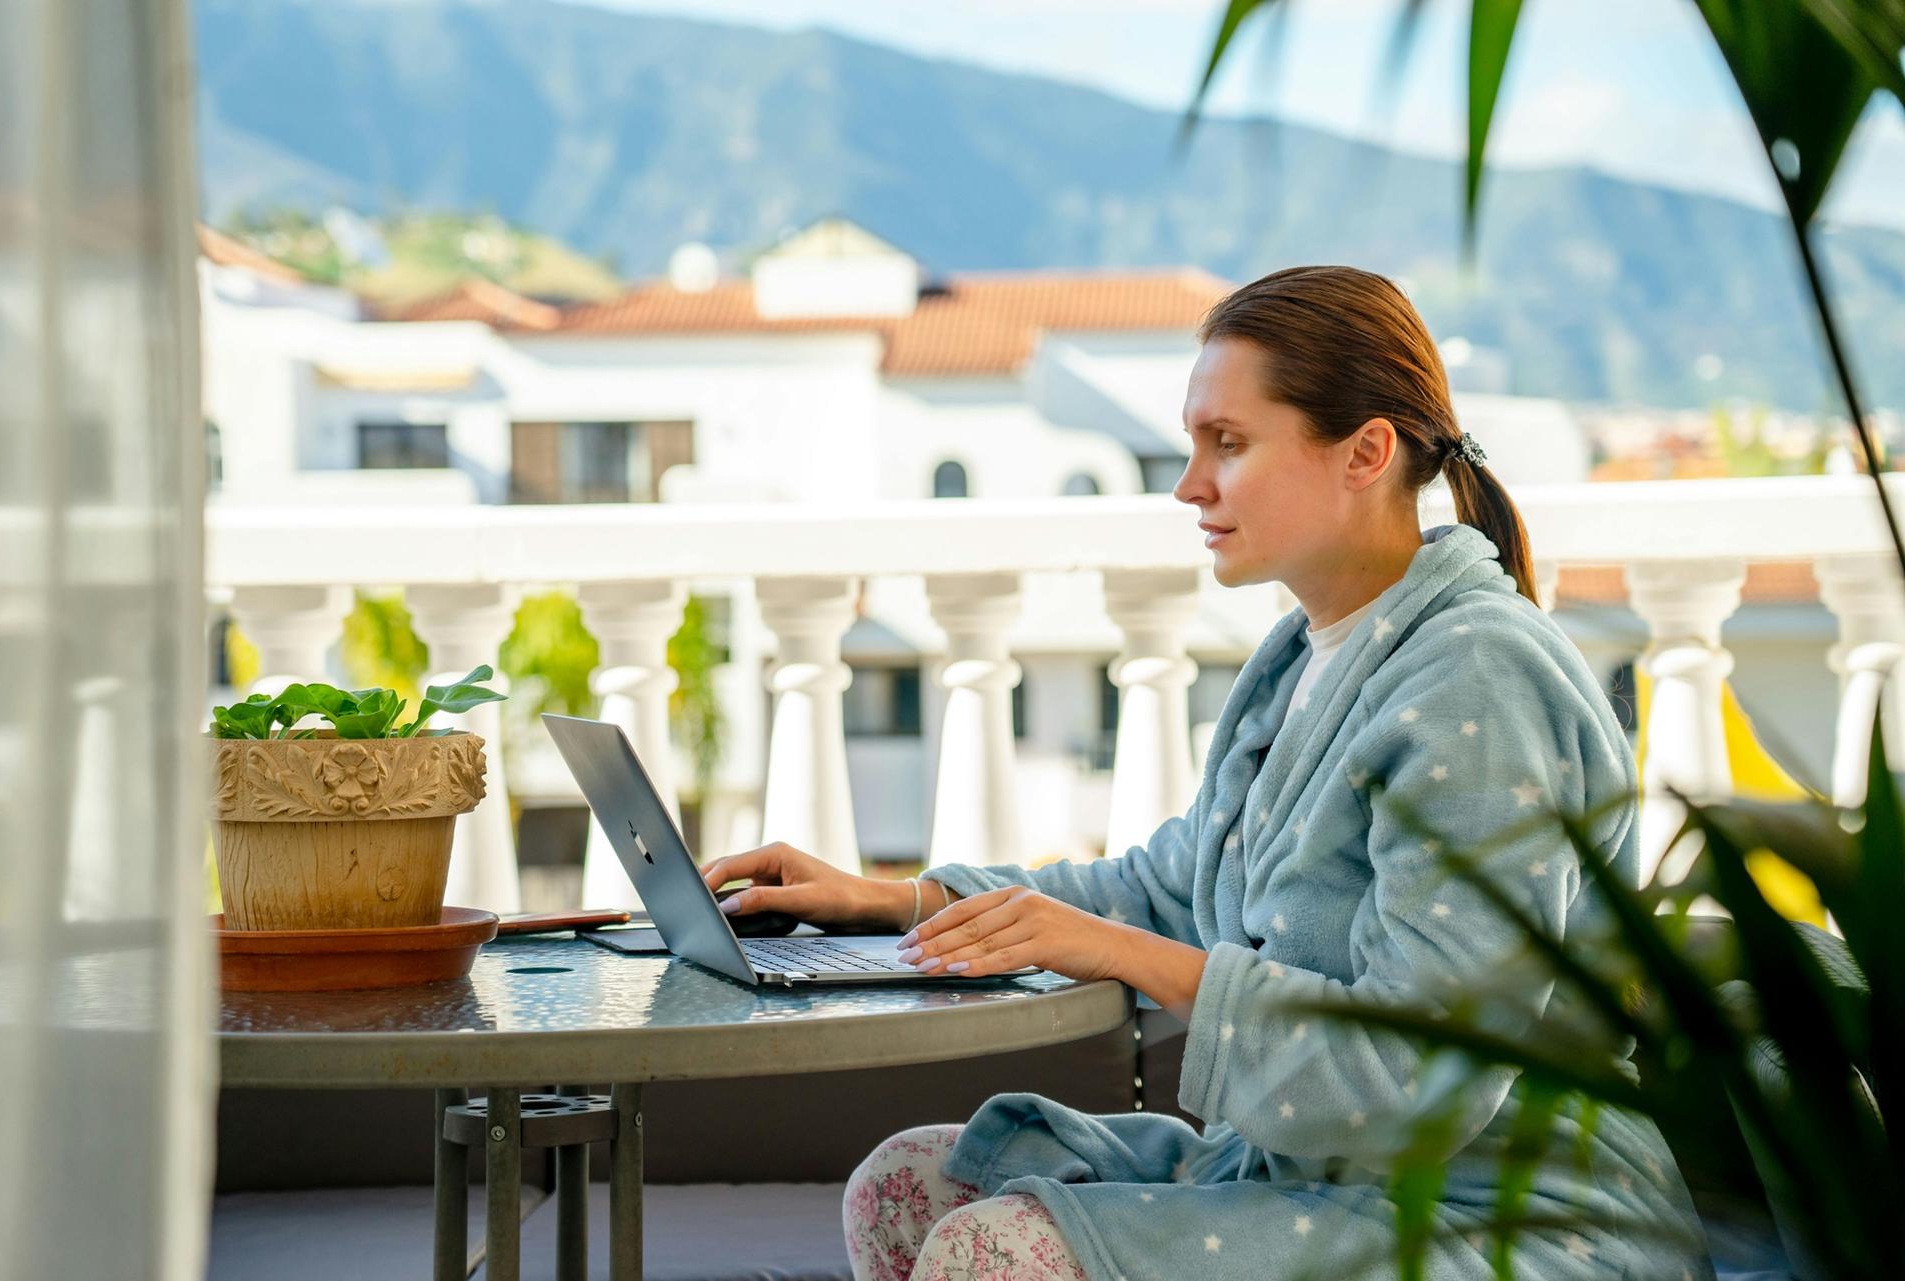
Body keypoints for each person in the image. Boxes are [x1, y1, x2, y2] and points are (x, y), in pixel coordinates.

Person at [702, 266, 1712, 1281]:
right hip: (1314, 1181)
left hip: (1494, 1215)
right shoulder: (1300, 659)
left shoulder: (1478, 682)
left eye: (1226, 445)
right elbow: (1169, 887)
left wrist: (1125, 955)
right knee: (904, 1183)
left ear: (1367, 451)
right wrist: (888, 901)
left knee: (988, 1252)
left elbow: (1422, 1077)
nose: (1190, 485)